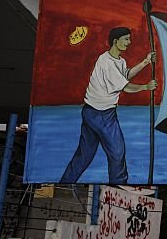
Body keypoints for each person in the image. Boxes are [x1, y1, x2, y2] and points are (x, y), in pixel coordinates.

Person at [61, 27, 157, 184]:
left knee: (84, 156)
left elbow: (125, 75)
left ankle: (65, 182)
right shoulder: (106, 62)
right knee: (117, 153)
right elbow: (125, 86)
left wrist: (145, 62)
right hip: (102, 115)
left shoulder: (118, 60)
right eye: (126, 39)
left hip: (90, 111)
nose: (129, 42)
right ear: (115, 41)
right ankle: (118, 185)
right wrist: (145, 87)